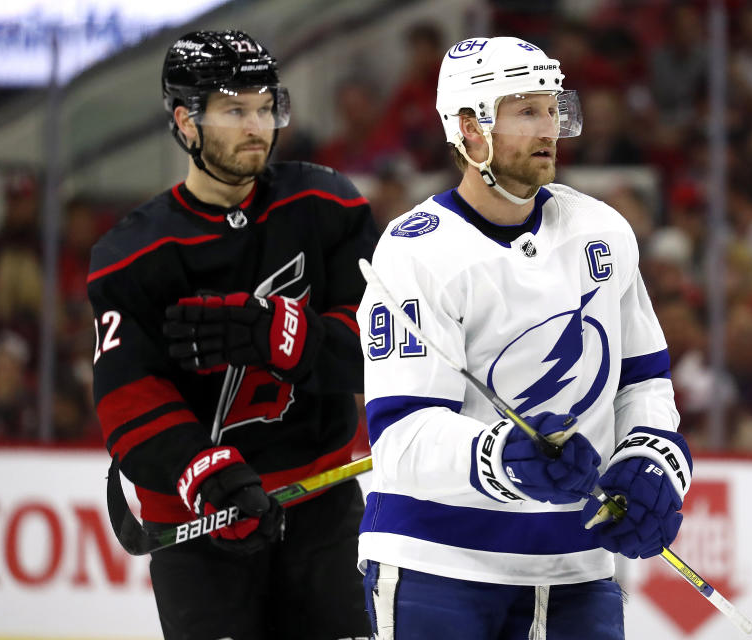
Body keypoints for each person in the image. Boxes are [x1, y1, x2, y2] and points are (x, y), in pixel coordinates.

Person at [357, 36, 692, 639]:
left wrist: (653, 462)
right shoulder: (417, 251)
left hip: (574, 566)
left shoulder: (600, 230)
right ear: (470, 127)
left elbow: (643, 382)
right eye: (526, 111)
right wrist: (500, 458)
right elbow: (402, 439)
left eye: (552, 108)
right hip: (438, 562)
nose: (550, 129)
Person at [88, 30, 375, 640]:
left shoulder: (327, 205)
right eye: (234, 110)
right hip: (201, 522)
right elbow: (126, 395)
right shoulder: (130, 256)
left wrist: (288, 336)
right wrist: (206, 474)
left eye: (266, 107)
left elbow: (382, 344)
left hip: (321, 505)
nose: (257, 126)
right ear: (185, 123)